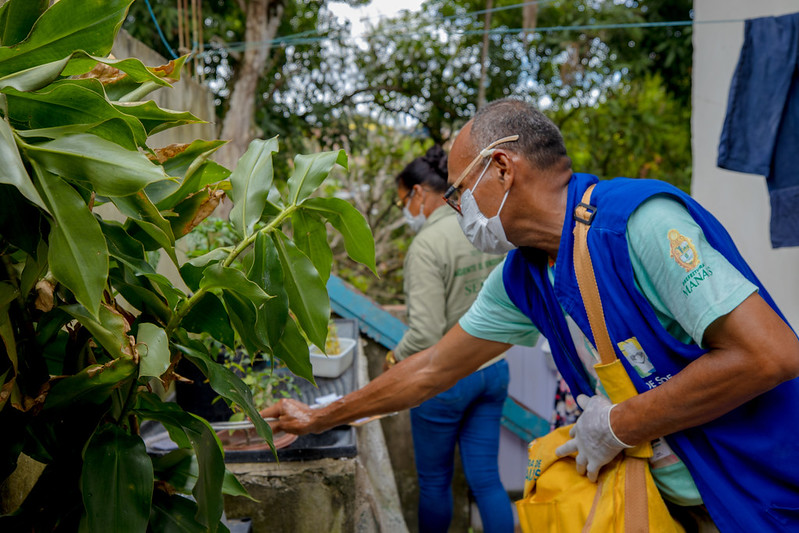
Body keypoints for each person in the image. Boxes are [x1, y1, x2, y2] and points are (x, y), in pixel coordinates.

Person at [264, 98, 799, 532]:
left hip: (759, 493)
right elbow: (431, 369)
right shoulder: (522, 276)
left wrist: (620, 422)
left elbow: (769, 355)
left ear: (501, 167)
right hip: (672, 503)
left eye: (458, 195)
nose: (460, 213)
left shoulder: (639, 225)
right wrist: (323, 416)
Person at [390, 145, 515, 533]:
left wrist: (395, 359)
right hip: (492, 369)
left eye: (402, 203)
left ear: (420, 194)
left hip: (446, 378)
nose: (405, 213)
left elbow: (425, 332)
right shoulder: (480, 228)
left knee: (434, 482)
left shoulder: (427, 246)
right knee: (487, 480)